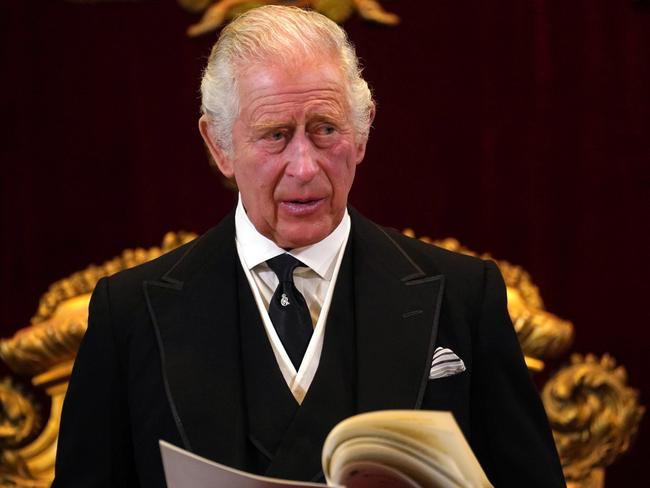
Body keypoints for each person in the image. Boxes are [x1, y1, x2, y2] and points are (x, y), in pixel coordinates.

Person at [53, 6, 565, 487]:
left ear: (361, 137)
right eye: (275, 135)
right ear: (219, 146)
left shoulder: (462, 298)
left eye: (325, 130)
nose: (305, 167)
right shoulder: (130, 313)